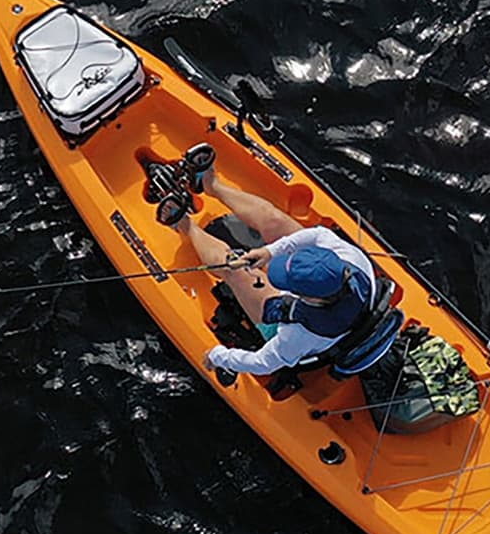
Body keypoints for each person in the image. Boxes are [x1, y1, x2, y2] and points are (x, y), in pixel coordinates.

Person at [156, 144, 376, 375]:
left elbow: (262, 364)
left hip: (297, 327)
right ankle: (211, 185)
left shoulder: (297, 337)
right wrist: (270, 252)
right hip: (335, 308)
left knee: (234, 269)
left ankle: (184, 225)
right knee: (274, 220)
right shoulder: (353, 260)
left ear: (307, 297)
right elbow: (318, 235)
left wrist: (218, 356)